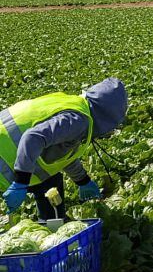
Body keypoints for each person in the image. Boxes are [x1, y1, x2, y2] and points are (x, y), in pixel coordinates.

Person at [1, 78, 126, 219]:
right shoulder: (78, 121)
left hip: (10, 146)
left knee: (51, 180)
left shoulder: (75, 105)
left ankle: (51, 223)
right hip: (4, 159)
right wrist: (20, 182)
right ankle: (51, 225)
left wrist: (82, 180)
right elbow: (32, 138)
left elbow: (60, 150)